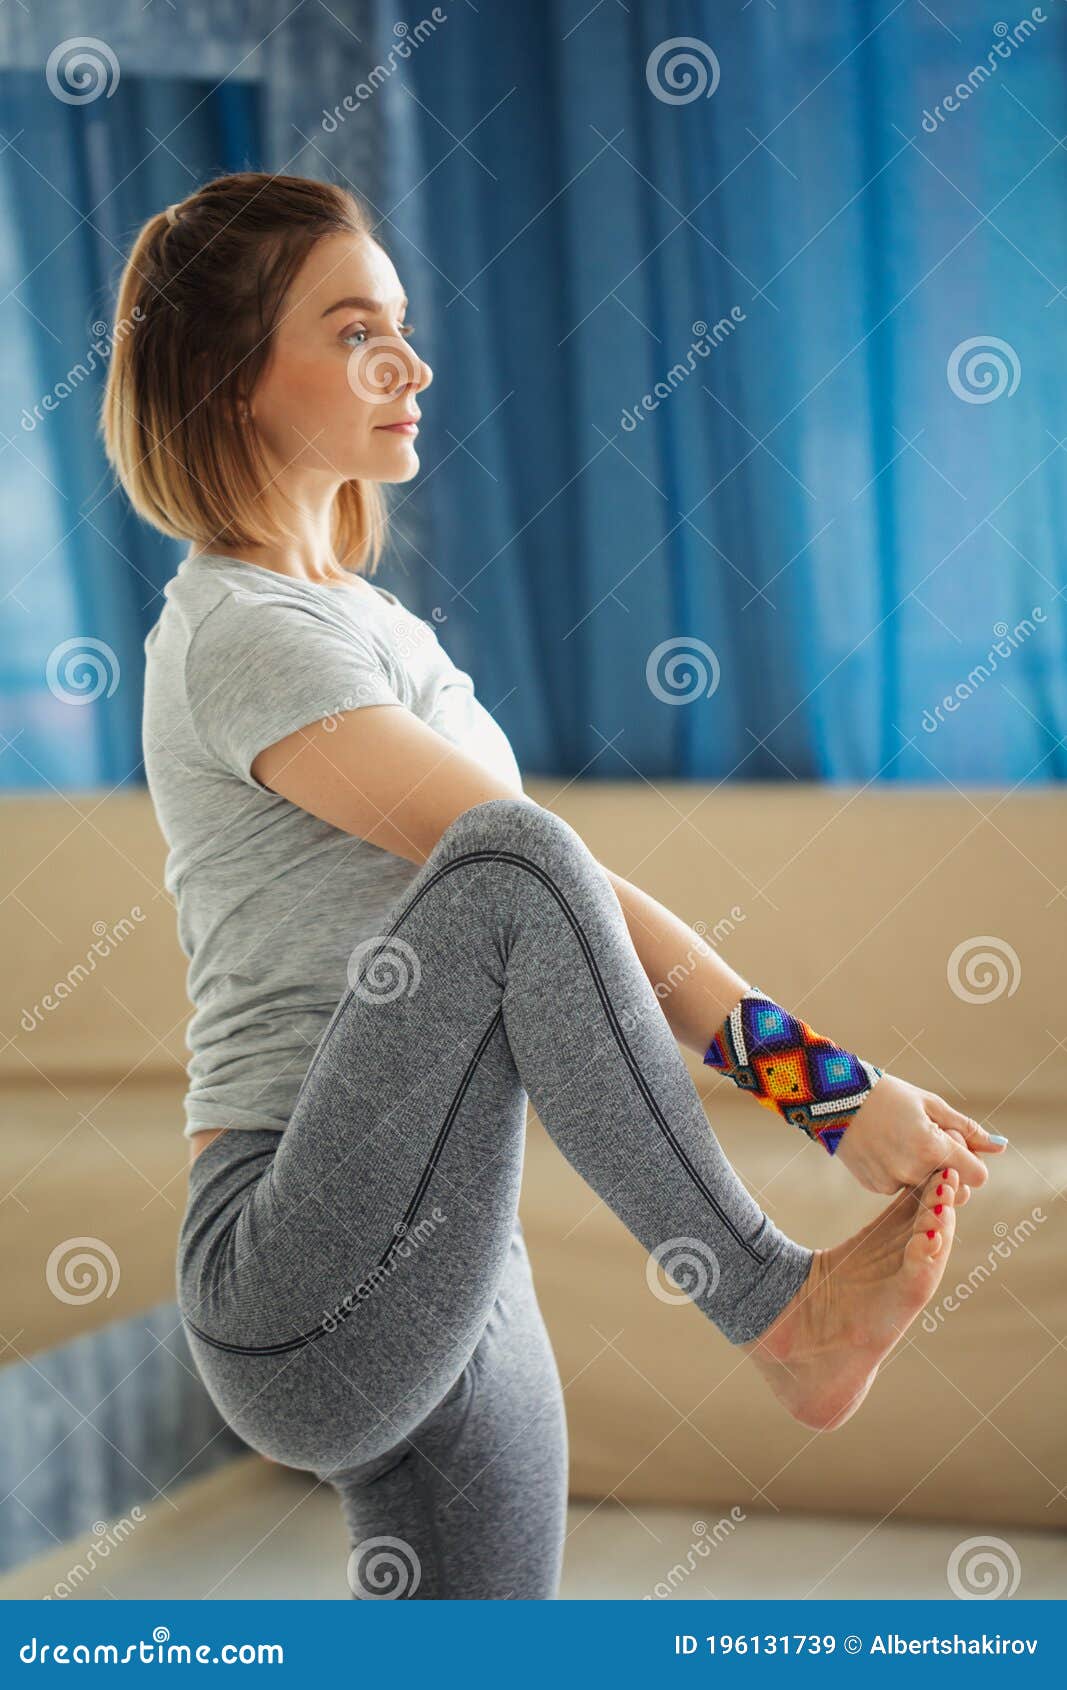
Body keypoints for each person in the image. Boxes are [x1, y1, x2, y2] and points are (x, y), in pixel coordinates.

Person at [102, 172, 1004, 1601]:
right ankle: (776, 1307)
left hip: (444, 1233)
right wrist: (824, 1089)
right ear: (231, 381)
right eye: (353, 330)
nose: (412, 361)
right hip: (293, 1266)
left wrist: (834, 1092)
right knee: (514, 859)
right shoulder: (240, 634)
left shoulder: (373, 625)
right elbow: (534, 882)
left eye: (401, 321)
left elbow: (564, 923)